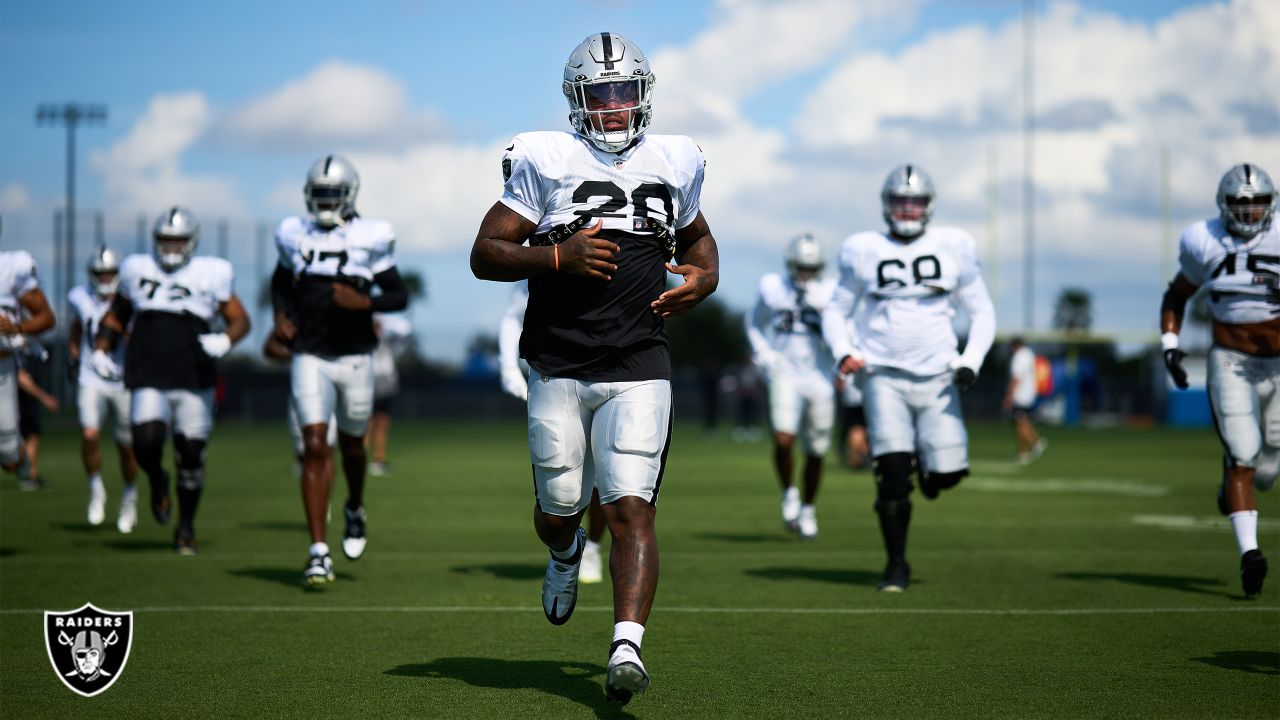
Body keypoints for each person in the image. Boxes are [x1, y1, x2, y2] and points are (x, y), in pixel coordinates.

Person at [470, 31, 719, 705]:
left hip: (641, 359)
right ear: (579, 100)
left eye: (626, 93)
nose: (615, 107)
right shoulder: (545, 159)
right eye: (602, 95)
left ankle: (626, 646)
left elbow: (697, 238)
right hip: (557, 361)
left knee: (631, 506)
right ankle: (562, 550)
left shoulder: (676, 159)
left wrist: (707, 278)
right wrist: (556, 257)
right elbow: (486, 251)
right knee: (559, 509)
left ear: (644, 96)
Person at [822, 164, 996, 593]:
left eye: (914, 201)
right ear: (887, 204)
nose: (907, 208)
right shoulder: (863, 248)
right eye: (900, 201)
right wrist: (845, 351)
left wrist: (971, 359)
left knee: (947, 475)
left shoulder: (954, 245)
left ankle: (931, 466)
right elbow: (836, 310)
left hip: (939, 376)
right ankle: (895, 564)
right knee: (893, 477)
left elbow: (983, 312)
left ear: (929, 205)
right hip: (883, 375)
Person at [271, 155, 409, 587]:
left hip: (355, 357)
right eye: (320, 194)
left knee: (352, 447)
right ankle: (318, 551)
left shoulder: (371, 236)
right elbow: (281, 280)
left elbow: (398, 295)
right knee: (315, 445)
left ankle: (354, 506)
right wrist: (280, 314)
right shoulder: (294, 234)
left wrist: (364, 302)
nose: (326, 202)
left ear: (349, 195)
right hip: (309, 353)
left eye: (333, 194)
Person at [92, 206, 250, 554]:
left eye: (177, 240)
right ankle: (157, 479)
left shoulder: (211, 273)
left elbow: (240, 319)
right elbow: (117, 316)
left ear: (191, 241)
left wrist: (226, 339)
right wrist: (102, 349)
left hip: (194, 377)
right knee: (145, 442)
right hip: (149, 374)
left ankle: (186, 527)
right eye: (165, 240)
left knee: (191, 454)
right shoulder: (137, 270)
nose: (170, 247)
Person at [1160, 162, 1277, 598]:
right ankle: (1250, 553)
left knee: (1267, 470)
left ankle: (1231, 487)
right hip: (1230, 359)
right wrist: (1170, 345)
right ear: (1223, 206)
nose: (1248, 213)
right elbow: (1176, 295)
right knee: (1243, 456)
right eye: (1240, 204)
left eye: (1257, 203)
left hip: (1279, 364)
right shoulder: (1202, 239)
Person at [498, 279, 608, 584]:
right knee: (560, 484)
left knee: (604, 476)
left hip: (614, 373)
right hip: (557, 375)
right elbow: (512, 315)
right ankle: (567, 549)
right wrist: (508, 366)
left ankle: (593, 549)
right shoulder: (547, 253)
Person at [745, 233, 837, 540]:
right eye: (801, 266)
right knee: (783, 439)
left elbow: (843, 333)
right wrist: (763, 351)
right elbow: (753, 322)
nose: (805, 273)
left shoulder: (831, 291)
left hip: (820, 376)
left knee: (817, 450)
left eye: (811, 267)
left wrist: (823, 313)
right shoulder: (773, 287)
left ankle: (809, 508)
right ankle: (789, 493)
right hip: (785, 372)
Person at [68, 246, 140, 531]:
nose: (105, 277)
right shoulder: (80, 296)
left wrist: (118, 330)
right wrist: (74, 352)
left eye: (109, 272)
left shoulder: (131, 300)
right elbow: (77, 326)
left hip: (123, 379)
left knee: (126, 447)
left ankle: (129, 496)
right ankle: (96, 489)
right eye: (100, 272)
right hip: (91, 376)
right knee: (89, 434)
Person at [0, 243, 56, 488]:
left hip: (2, 367)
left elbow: (47, 317)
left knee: (10, 458)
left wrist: (17, 328)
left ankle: (20, 460)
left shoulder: (11, 268)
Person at [368, 313, 412, 477]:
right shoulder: (363, 340)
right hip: (370, 383)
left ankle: (378, 459)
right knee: (367, 424)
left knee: (383, 423)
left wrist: (386, 322)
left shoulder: (388, 340)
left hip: (387, 385)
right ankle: (361, 459)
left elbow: (405, 329)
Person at [17, 352, 58, 488]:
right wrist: (44, 398)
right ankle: (29, 475)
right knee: (29, 434)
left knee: (33, 434)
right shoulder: (17, 350)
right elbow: (21, 378)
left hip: (26, 399)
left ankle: (30, 475)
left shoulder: (31, 351)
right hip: (21, 399)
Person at [1003, 336, 1046, 464]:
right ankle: (1023, 452)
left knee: (1020, 421)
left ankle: (1036, 441)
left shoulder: (1019, 357)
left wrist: (1009, 395)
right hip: (1029, 393)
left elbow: (1017, 377)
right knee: (1018, 422)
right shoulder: (1029, 354)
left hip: (1021, 395)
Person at [838, 370, 870, 470]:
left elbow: (839, 381)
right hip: (867, 396)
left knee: (855, 429)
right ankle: (861, 456)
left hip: (852, 398)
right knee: (862, 430)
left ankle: (858, 457)